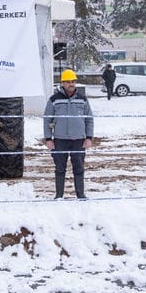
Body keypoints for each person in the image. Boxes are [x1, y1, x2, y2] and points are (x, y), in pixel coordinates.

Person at [43, 69, 94, 199]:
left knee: (79, 168)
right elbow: (47, 119)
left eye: (73, 81)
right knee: (60, 168)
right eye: (68, 82)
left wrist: (89, 137)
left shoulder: (82, 100)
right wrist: (48, 139)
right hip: (60, 140)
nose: (71, 84)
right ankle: (59, 195)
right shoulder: (54, 100)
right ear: (63, 83)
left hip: (79, 140)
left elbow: (89, 119)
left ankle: (80, 195)